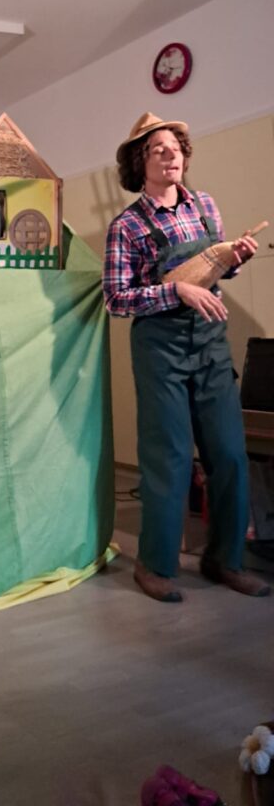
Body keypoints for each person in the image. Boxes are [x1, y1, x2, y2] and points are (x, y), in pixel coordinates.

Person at [103, 112, 270, 603]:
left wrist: (234, 259)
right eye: (158, 148)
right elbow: (116, 299)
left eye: (175, 147)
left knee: (229, 455)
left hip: (211, 344)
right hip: (161, 350)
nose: (170, 154)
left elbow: (213, 269)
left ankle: (225, 560)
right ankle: (155, 565)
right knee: (170, 458)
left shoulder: (205, 207)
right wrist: (174, 291)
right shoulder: (127, 226)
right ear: (141, 162)